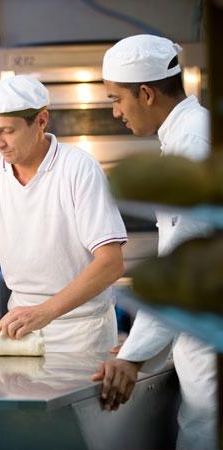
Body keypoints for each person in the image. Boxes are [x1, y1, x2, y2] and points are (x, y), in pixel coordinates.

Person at [0, 75, 127, 352]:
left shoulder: (78, 169)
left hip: (82, 331)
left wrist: (46, 311)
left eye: (7, 131)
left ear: (41, 121)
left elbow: (111, 263)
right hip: (19, 330)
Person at [91, 34, 215, 450]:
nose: (114, 112)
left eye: (116, 99)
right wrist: (141, 343)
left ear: (145, 93)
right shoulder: (187, 135)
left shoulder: (192, 145)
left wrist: (133, 356)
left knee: (204, 436)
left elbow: (181, 264)